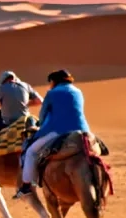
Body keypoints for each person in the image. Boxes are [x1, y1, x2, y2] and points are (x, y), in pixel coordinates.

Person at [15, 69, 90, 199]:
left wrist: (39, 126)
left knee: (31, 151)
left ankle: (27, 185)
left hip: (59, 131)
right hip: (83, 130)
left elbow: (43, 116)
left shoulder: (52, 93)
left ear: (54, 82)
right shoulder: (78, 91)